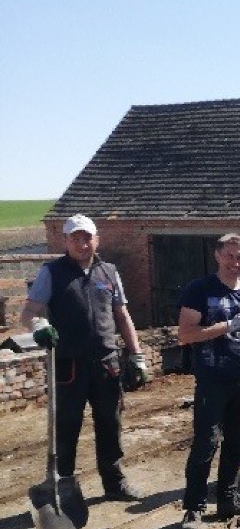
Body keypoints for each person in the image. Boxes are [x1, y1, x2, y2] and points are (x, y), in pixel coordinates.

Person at [20, 214, 150, 501]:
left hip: (106, 363)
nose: (82, 243)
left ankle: (114, 483)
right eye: (75, 238)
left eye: (87, 237)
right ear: (66, 241)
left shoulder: (109, 271)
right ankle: (62, 486)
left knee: (110, 423)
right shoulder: (52, 272)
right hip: (69, 364)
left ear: (96, 239)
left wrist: (137, 354)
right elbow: (29, 312)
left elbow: (122, 315)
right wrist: (39, 327)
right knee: (67, 426)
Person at [176, 234, 240, 529]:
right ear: (218, 256)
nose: (235, 263)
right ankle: (194, 508)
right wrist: (227, 326)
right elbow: (186, 334)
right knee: (206, 443)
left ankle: (228, 498)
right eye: (230, 256)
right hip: (212, 380)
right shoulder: (199, 290)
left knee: (236, 443)